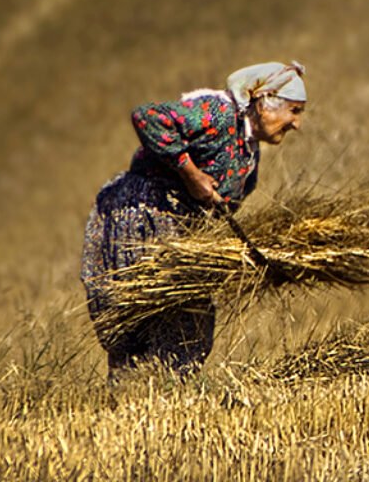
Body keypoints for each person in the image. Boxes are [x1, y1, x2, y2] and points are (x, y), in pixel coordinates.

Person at [80, 61, 307, 377]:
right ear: (264, 102)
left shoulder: (249, 150)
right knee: (148, 321)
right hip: (145, 216)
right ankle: (136, 394)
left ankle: (159, 398)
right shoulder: (217, 114)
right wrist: (190, 173)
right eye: (294, 111)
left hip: (180, 228)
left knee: (185, 329)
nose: (297, 124)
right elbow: (149, 117)